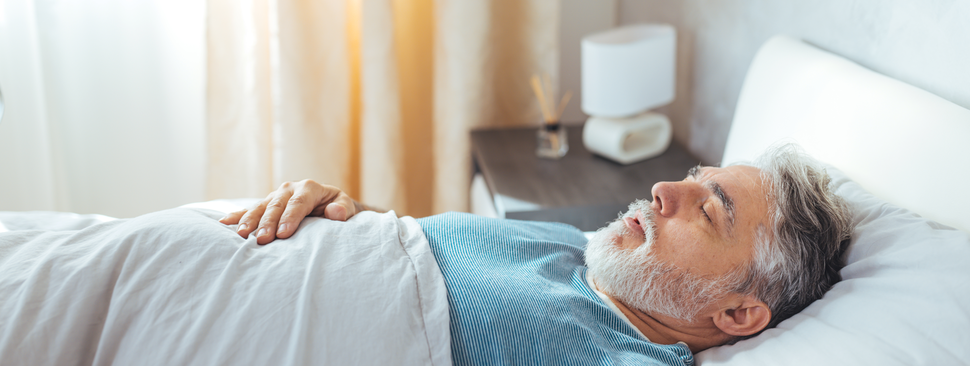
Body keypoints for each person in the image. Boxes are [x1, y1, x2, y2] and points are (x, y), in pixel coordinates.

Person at [220, 144, 852, 365]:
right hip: (228, 246)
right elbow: (417, 253)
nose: (663, 190)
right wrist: (346, 214)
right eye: (689, 176)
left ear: (738, 315)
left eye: (709, 210)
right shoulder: (577, 250)